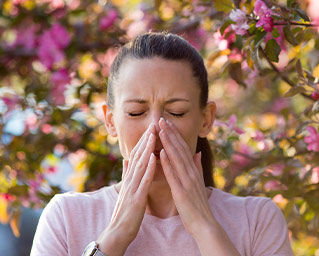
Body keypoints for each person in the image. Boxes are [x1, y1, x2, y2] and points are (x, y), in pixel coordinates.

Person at [31, 32, 294, 256]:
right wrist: (116, 235)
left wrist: (204, 225)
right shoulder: (66, 217)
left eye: (176, 112)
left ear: (205, 119)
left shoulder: (257, 219)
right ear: (110, 121)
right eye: (136, 112)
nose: (155, 128)